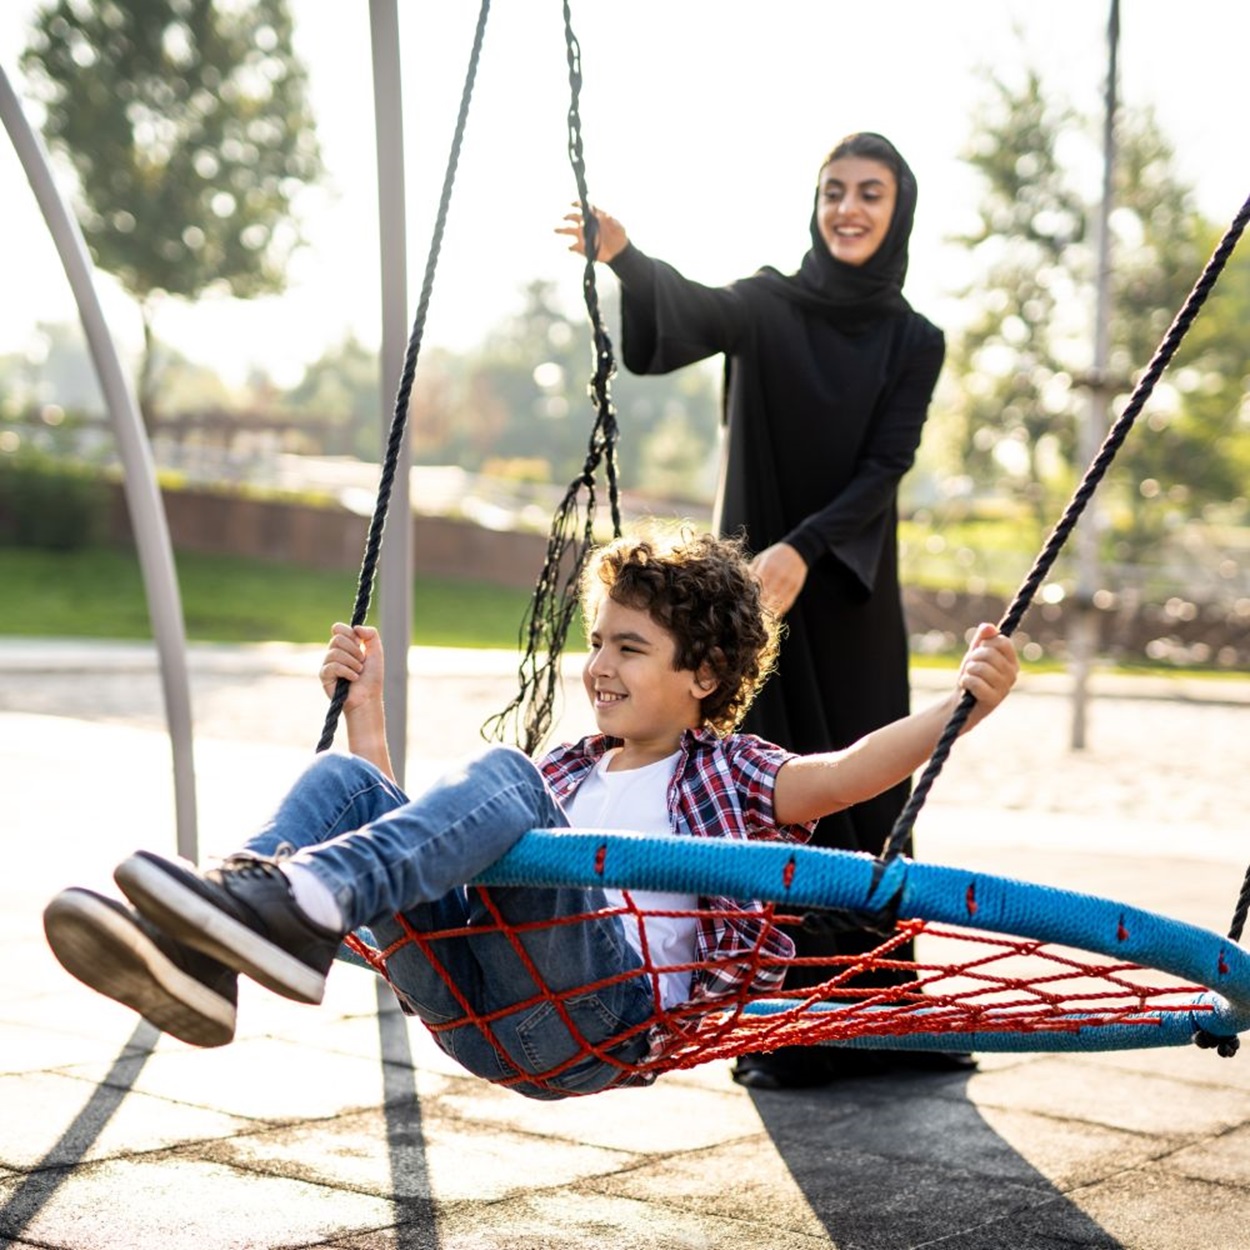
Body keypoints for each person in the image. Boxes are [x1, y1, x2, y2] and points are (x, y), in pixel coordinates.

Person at [42, 532, 1017, 1101]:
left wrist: (958, 707)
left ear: (703, 674)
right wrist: (368, 710)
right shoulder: (567, 765)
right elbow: (410, 844)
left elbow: (845, 773)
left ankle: (280, 904)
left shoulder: (733, 776)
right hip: (478, 1008)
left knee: (507, 780)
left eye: (629, 647)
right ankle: (225, 941)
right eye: (597, 641)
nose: (597, 664)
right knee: (355, 790)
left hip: (599, 1015)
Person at [558, 132, 947, 1089]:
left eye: (870, 193)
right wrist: (625, 257)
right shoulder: (771, 303)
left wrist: (805, 549)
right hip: (748, 610)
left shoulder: (915, 339)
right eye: (834, 191)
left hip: (847, 593)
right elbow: (685, 315)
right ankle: (783, 1016)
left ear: (899, 210)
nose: (849, 209)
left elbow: (884, 469)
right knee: (764, 790)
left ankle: (873, 1006)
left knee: (864, 793)